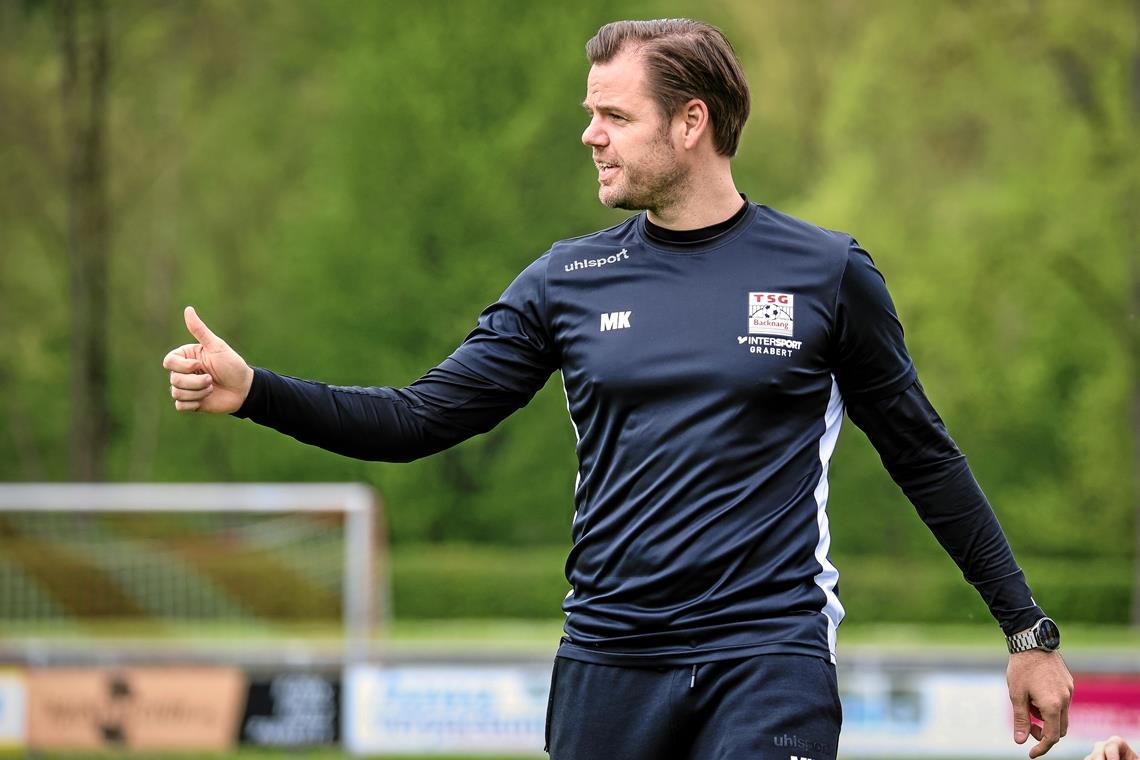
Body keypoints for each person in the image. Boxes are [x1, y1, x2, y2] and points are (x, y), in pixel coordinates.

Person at [163, 18, 1073, 760]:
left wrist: (1027, 634)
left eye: (613, 114)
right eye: (588, 112)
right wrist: (256, 392)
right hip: (608, 657)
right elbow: (420, 419)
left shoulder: (827, 272)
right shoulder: (567, 279)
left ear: (692, 123)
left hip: (768, 655)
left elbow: (925, 456)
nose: (589, 133)